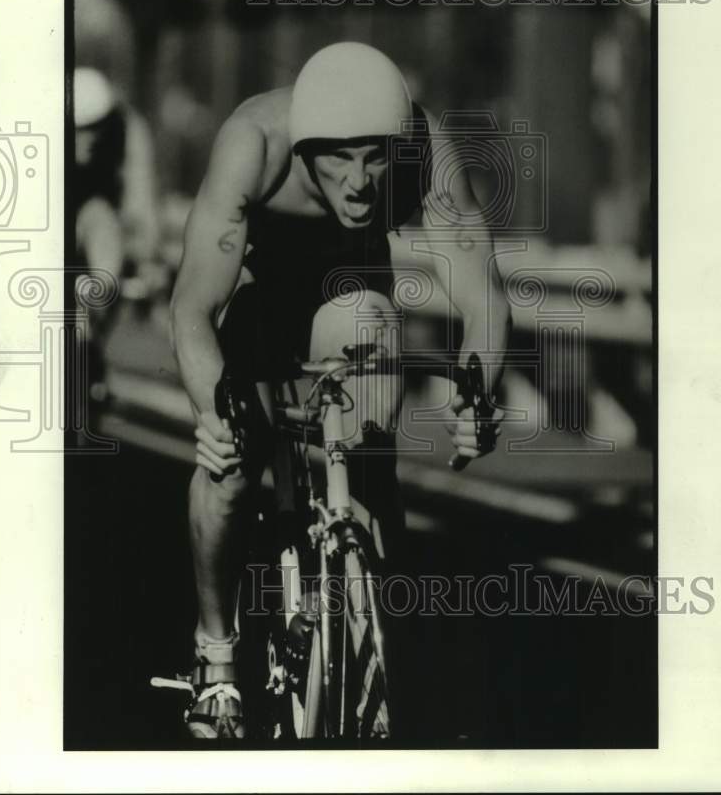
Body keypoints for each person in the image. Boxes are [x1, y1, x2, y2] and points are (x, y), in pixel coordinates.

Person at [169, 42, 511, 739]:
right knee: (231, 465)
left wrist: (476, 394)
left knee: (368, 444)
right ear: (300, 148)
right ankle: (215, 655)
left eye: (375, 157)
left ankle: (372, 620)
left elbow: (482, 300)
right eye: (337, 157)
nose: (359, 183)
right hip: (263, 296)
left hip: (353, 297)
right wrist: (213, 413)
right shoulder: (252, 145)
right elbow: (192, 309)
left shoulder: (425, 150)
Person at [74, 67, 160, 404]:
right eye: (77, 131)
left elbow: (141, 201)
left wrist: (146, 258)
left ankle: (89, 343)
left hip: (101, 225)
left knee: (101, 218)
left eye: (95, 129)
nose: (88, 140)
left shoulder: (129, 129)